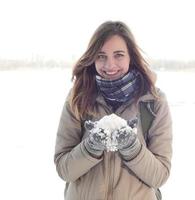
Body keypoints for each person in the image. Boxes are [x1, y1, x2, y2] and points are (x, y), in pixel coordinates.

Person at [54, 21, 173, 200]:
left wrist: (132, 147)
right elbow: (64, 170)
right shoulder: (78, 98)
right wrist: (91, 147)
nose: (110, 65)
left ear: (130, 57)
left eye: (118, 55)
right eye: (101, 56)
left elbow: (159, 175)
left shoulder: (153, 101)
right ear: (93, 58)